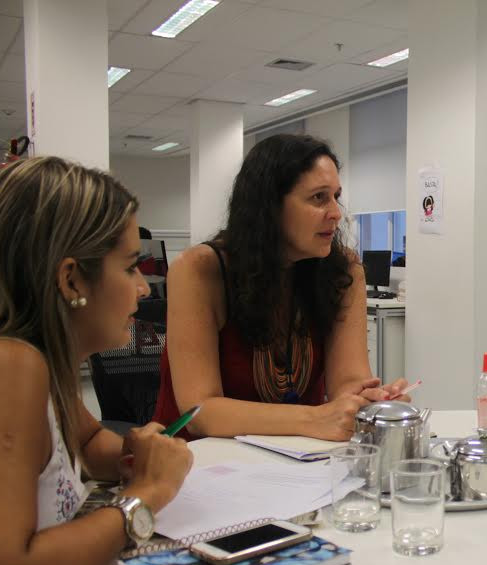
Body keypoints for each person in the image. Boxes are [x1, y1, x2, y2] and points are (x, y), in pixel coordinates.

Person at [0, 157, 192, 565]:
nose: (145, 288)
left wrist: (134, 452)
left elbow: (89, 444)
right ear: (71, 278)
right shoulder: (10, 366)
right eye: (130, 268)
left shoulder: (47, 363)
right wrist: (144, 498)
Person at [154, 134, 406, 440]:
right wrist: (315, 417)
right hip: (200, 463)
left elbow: (348, 381)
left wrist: (366, 402)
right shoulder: (200, 270)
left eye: (335, 196)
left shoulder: (343, 271)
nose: (336, 213)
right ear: (270, 206)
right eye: (318, 198)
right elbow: (201, 412)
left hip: (299, 463)